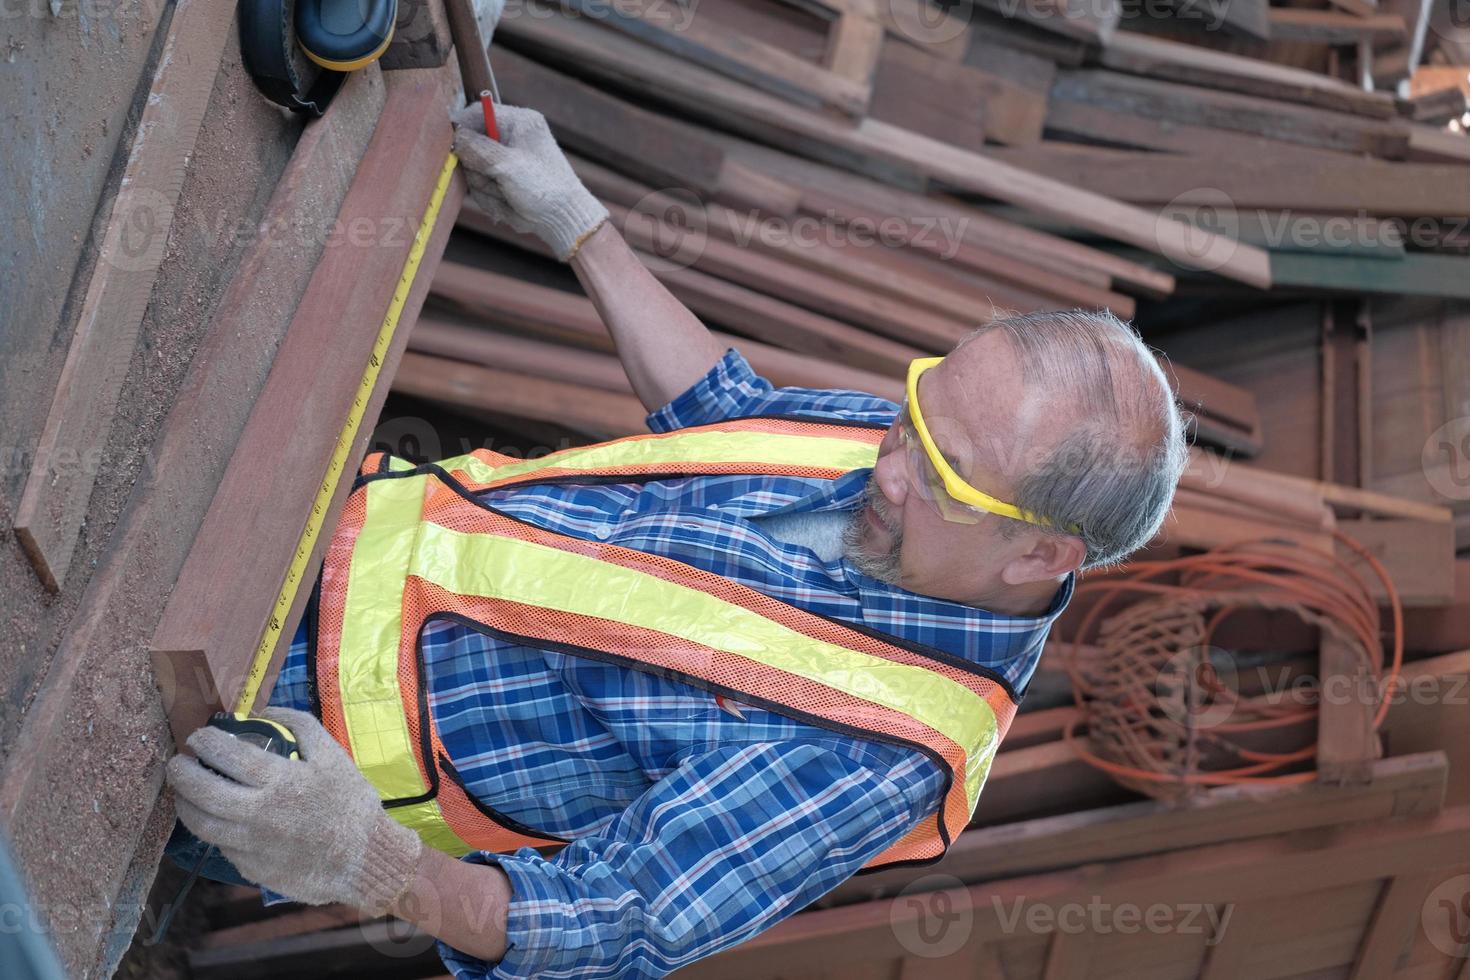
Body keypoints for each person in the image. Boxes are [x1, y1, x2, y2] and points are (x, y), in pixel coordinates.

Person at [165, 105, 1189, 979]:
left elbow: (608, 918)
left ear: (1040, 555)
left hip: (273, 746)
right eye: (912, 414)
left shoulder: (887, 752)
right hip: (291, 529)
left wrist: (362, 859)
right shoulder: (920, 450)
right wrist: (578, 223)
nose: (891, 464)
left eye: (943, 470)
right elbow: (725, 413)